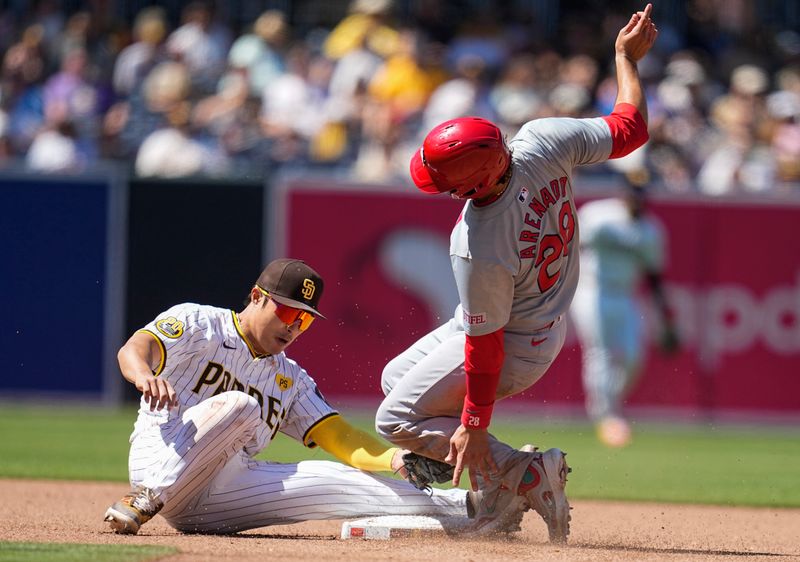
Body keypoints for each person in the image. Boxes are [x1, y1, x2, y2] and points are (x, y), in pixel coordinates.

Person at [375, 4, 659, 544]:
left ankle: (522, 475)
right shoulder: (542, 139)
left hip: (512, 340)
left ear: (470, 183)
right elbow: (631, 128)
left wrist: (475, 427)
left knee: (395, 422)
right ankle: (493, 487)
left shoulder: (479, 240)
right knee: (396, 383)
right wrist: (624, 58)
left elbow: (484, 350)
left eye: (443, 179)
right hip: (533, 320)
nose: (437, 185)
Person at [104, 258, 516, 536]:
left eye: (304, 320)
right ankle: (146, 497)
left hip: (219, 493)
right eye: (286, 313)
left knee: (350, 481)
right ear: (256, 297)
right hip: (159, 459)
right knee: (241, 405)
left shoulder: (290, 378)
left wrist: (396, 460)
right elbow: (135, 348)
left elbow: (338, 436)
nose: (293, 327)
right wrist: (142, 373)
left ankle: (473, 510)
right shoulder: (199, 323)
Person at [570, 177, 679, 447]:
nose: (636, 200)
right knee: (601, 352)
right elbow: (569, 248)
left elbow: (654, 277)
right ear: (623, 194)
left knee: (633, 356)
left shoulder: (650, 230)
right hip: (590, 289)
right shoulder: (597, 215)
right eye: (632, 194)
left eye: (641, 195)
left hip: (624, 294)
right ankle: (605, 415)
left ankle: (610, 406)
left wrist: (667, 319)